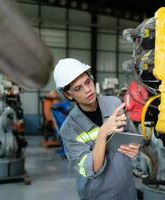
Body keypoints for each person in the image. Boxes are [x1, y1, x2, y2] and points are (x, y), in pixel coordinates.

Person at [53, 58, 139, 200]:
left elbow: (130, 135)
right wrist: (102, 134)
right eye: (78, 88)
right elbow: (92, 168)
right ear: (68, 95)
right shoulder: (69, 129)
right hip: (98, 194)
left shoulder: (114, 104)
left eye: (87, 82)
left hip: (127, 189)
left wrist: (134, 146)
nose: (88, 90)